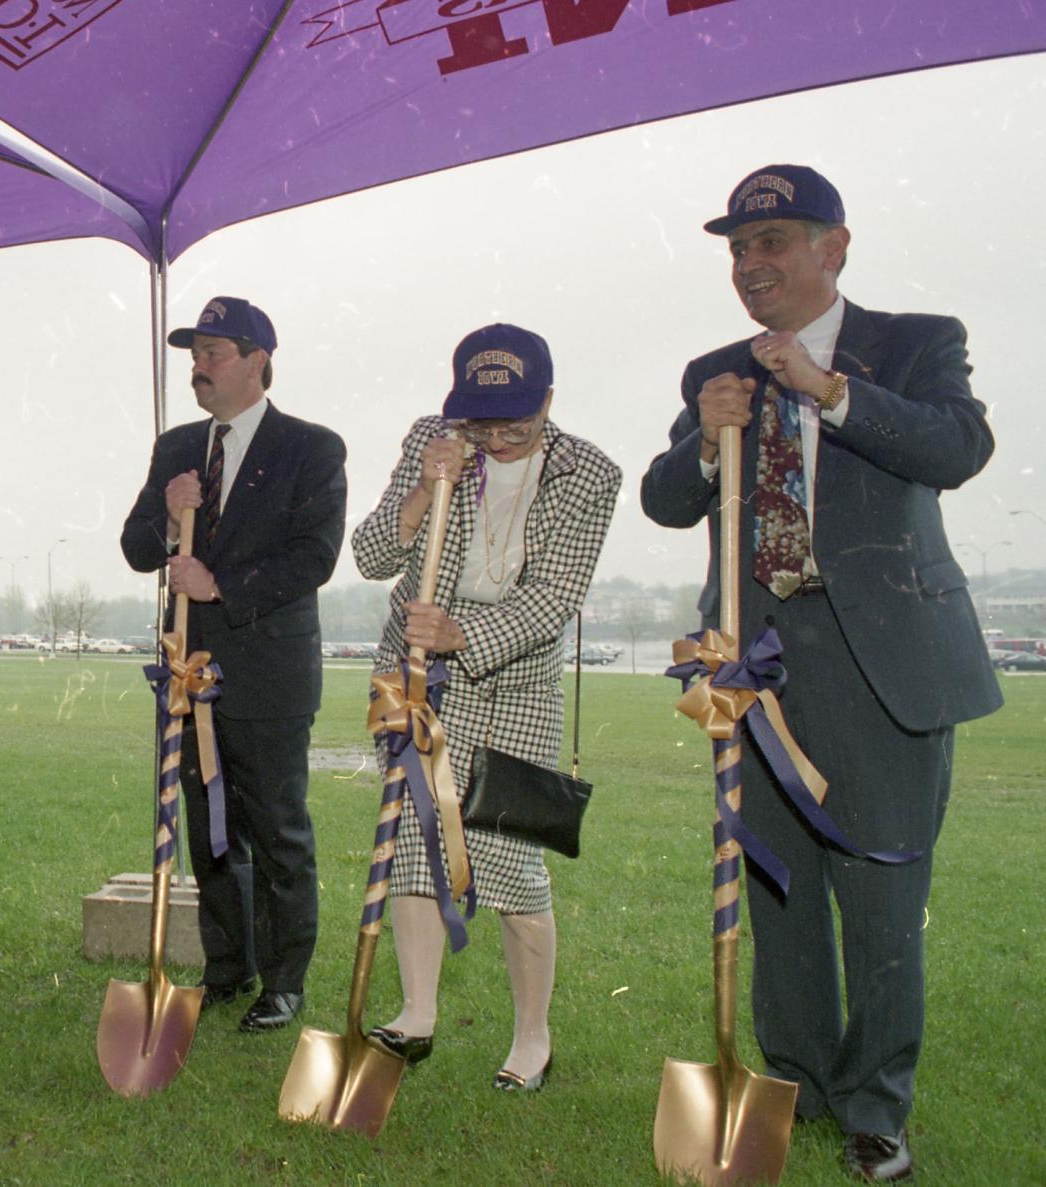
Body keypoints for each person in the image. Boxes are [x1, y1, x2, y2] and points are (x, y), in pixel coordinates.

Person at [640, 165, 1000, 1182]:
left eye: (773, 243)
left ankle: (874, 1108)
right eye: (737, 250)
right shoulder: (712, 368)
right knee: (778, 895)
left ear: (832, 247)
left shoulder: (915, 340)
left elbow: (956, 446)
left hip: (886, 670)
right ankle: (790, 1081)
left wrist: (828, 390)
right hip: (757, 675)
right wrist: (706, 445)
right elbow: (666, 502)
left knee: (882, 903)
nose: (750, 265)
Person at [349, 324, 620, 1091]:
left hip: (515, 682)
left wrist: (465, 632)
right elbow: (370, 557)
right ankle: (416, 1012)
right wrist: (419, 494)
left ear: (549, 405)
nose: (496, 442)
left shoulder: (588, 472)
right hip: (412, 675)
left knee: (507, 853)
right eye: (481, 425)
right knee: (411, 835)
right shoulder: (431, 441)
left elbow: (556, 597)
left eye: (516, 428)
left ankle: (532, 1038)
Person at [119, 297, 348, 1033]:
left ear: (257, 361)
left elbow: (314, 556)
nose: (199, 366)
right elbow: (135, 547)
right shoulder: (178, 447)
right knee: (209, 827)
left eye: (214, 353)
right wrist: (166, 506)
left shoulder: (312, 449)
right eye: (195, 354)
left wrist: (220, 585)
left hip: (268, 675)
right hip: (189, 674)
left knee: (277, 828)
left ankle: (284, 983)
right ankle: (228, 966)